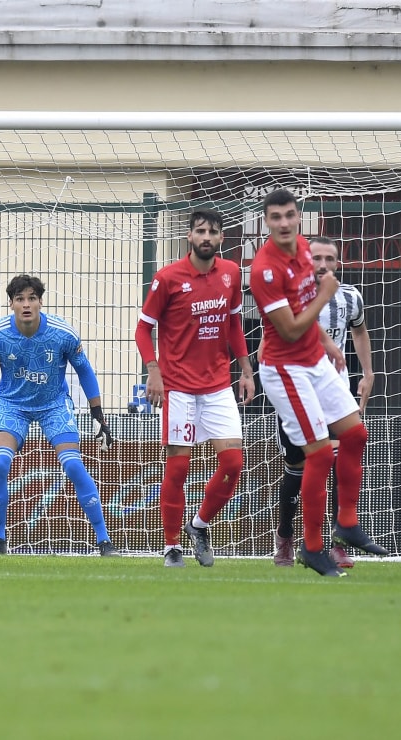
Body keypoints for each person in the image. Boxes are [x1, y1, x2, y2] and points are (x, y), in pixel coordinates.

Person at [249, 189, 386, 577]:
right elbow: (291, 329)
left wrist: (328, 343)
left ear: (299, 216)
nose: (284, 223)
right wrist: (326, 294)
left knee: (356, 435)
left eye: (289, 215)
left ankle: (347, 524)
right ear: (266, 222)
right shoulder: (265, 270)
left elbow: (305, 308)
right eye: (275, 217)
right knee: (320, 455)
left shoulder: (305, 249)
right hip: (285, 369)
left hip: (315, 360)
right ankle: (310, 547)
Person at [135, 209, 255, 568]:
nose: (206, 237)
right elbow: (143, 329)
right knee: (178, 469)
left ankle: (199, 525)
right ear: (189, 236)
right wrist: (153, 372)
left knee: (233, 463)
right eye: (200, 231)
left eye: (213, 232)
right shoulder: (167, 278)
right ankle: (172, 546)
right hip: (178, 387)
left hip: (217, 385)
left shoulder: (231, 272)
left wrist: (246, 370)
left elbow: (234, 323)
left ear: (221, 238)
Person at [0, 274, 117, 556]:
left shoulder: (62, 333)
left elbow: (84, 370)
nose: (26, 304)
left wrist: (98, 414)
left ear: (40, 302)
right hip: (11, 404)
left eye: (32, 298)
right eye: (20, 299)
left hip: (54, 404)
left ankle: (104, 540)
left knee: (74, 466)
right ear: (11, 304)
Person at [271, 235, 375, 569]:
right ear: (306, 260)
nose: (323, 265)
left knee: (336, 460)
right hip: (296, 387)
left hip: (333, 390)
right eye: (317, 258)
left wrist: (368, 372)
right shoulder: (290, 294)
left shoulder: (350, 297)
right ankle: (286, 536)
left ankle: (336, 542)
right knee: (297, 470)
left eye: (330, 259)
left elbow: (359, 331)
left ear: (338, 263)